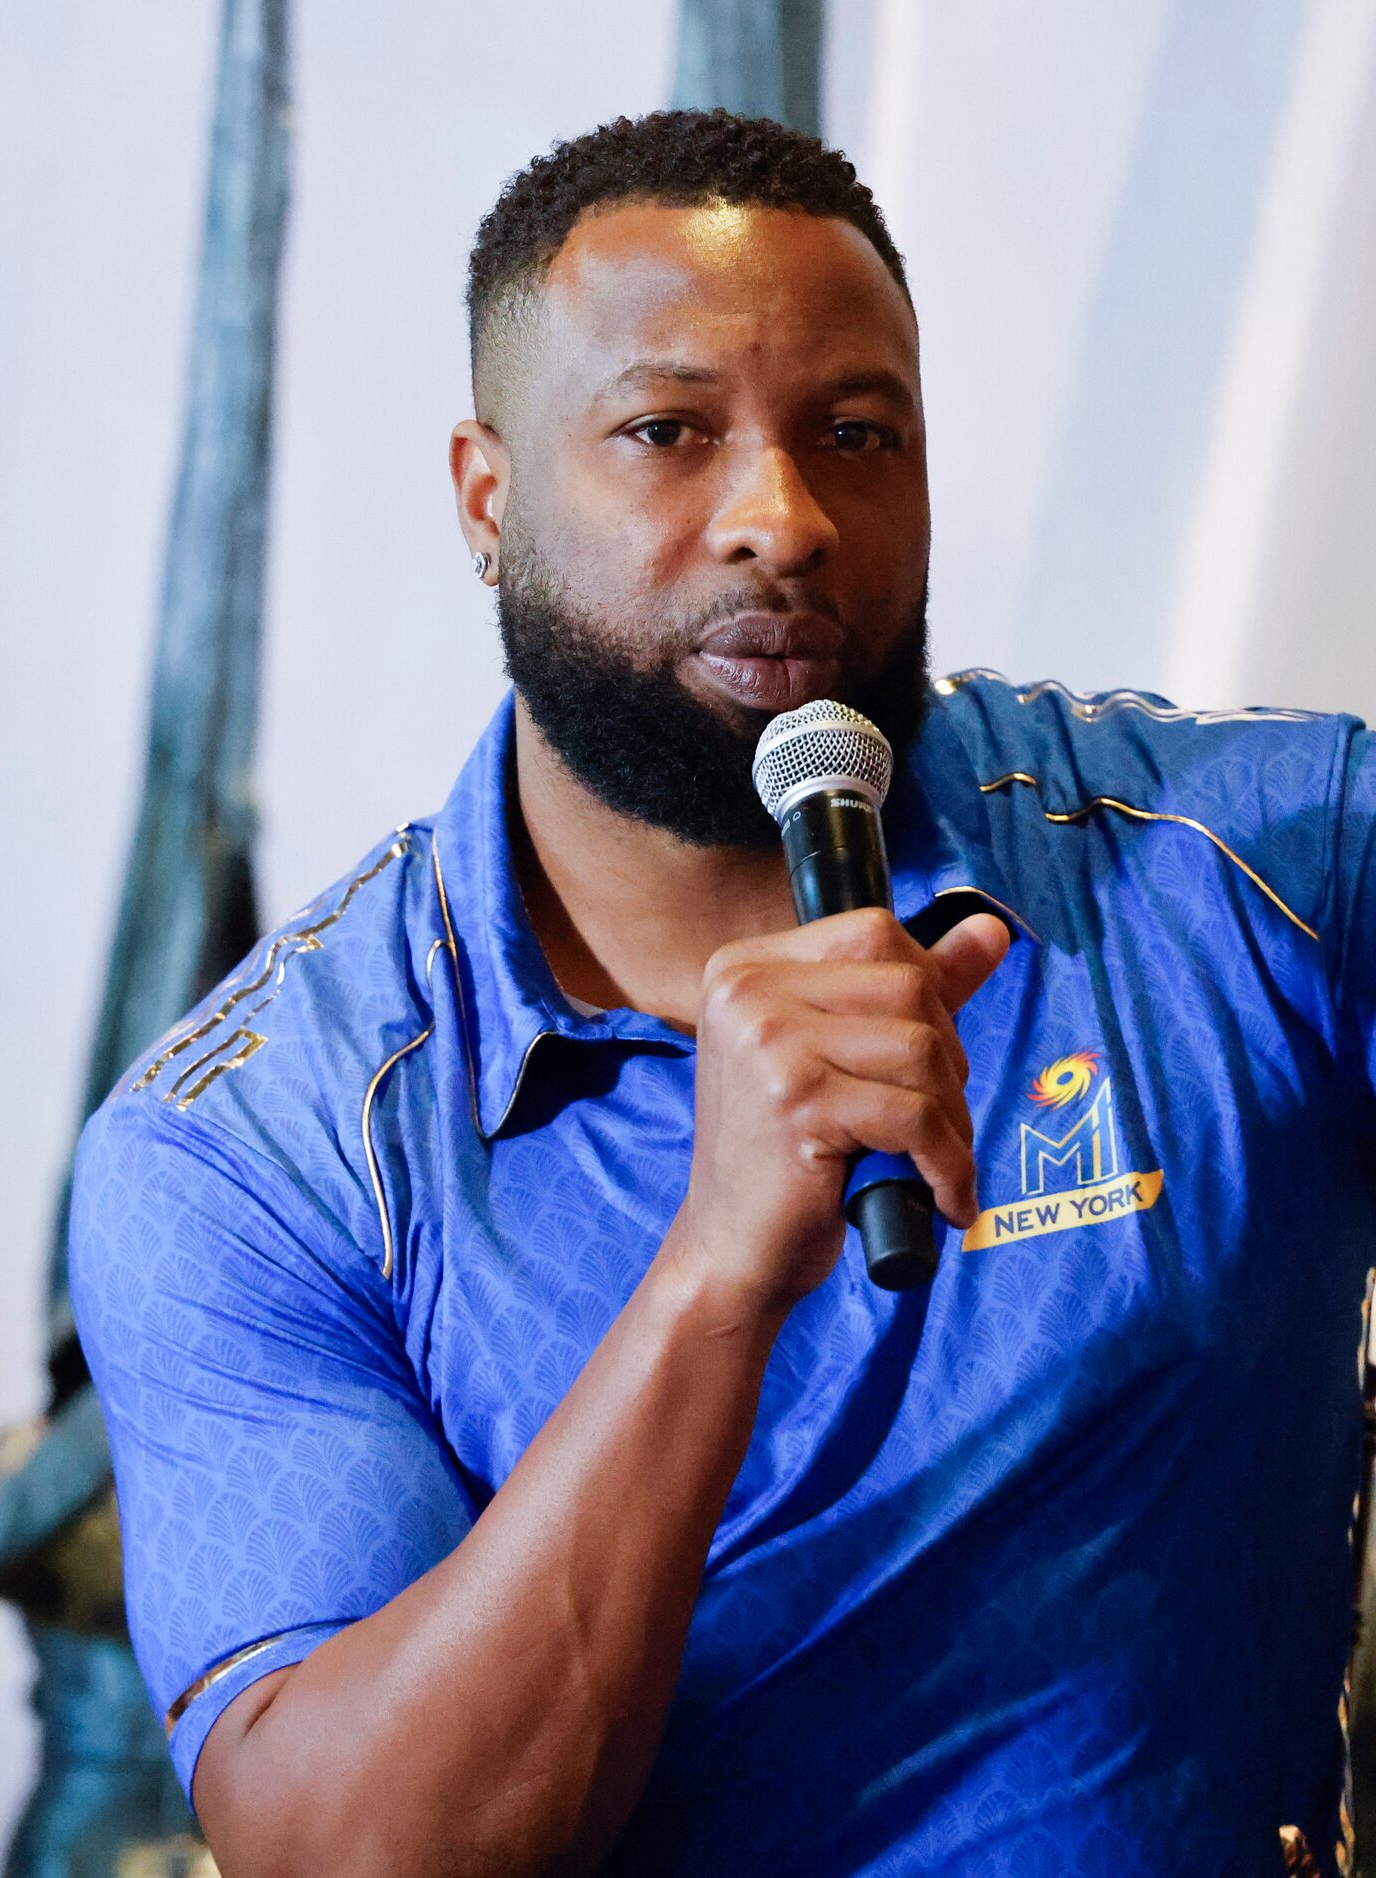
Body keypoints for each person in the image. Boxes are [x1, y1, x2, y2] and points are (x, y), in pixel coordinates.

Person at [72, 109, 1376, 1876]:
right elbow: (350, 1853)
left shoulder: (1260, 871)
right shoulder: (252, 1145)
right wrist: (714, 1269)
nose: (782, 518)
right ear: (486, 495)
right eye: (666, 433)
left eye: (855, 434)